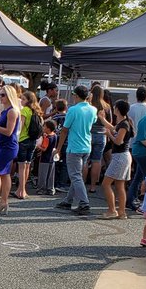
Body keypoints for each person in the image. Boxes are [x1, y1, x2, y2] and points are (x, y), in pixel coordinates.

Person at [55, 85, 98, 215]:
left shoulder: (73, 110)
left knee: (75, 175)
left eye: (74, 95)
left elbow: (65, 130)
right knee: (77, 175)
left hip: (74, 147)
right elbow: (94, 121)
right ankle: (68, 200)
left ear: (77, 96)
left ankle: (84, 203)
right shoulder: (93, 109)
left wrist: (58, 148)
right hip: (86, 146)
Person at [0, 84, 21, 214]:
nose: (0, 97)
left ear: (9, 96)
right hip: (4, 145)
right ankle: (3, 202)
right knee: (4, 173)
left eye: (3, 95)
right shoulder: (6, 111)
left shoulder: (12, 111)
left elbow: (9, 131)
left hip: (8, 145)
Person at [101, 98, 134, 218]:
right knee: (120, 185)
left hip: (120, 156)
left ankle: (112, 210)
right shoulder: (124, 122)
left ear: (118, 109)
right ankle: (121, 212)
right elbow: (113, 128)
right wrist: (102, 118)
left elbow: (119, 141)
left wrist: (109, 135)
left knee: (106, 183)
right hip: (123, 156)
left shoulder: (124, 124)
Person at [15, 89, 43, 199]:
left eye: (23, 99)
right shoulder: (37, 111)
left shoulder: (25, 111)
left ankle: (21, 191)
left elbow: (20, 127)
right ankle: (23, 190)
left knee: (21, 166)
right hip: (33, 141)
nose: (21, 101)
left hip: (23, 140)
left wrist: (16, 138)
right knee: (27, 166)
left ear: (28, 100)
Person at [36, 119, 58, 195]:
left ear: (48, 128)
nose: (43, 128)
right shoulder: (55, 135)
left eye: (44, 126)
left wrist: (38, 146)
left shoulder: (47, 138)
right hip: (52, 157)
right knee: (51, 174)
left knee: (43, 174)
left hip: (44, 158)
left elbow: (44, 149)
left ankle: (41, 189)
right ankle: (51, 189)